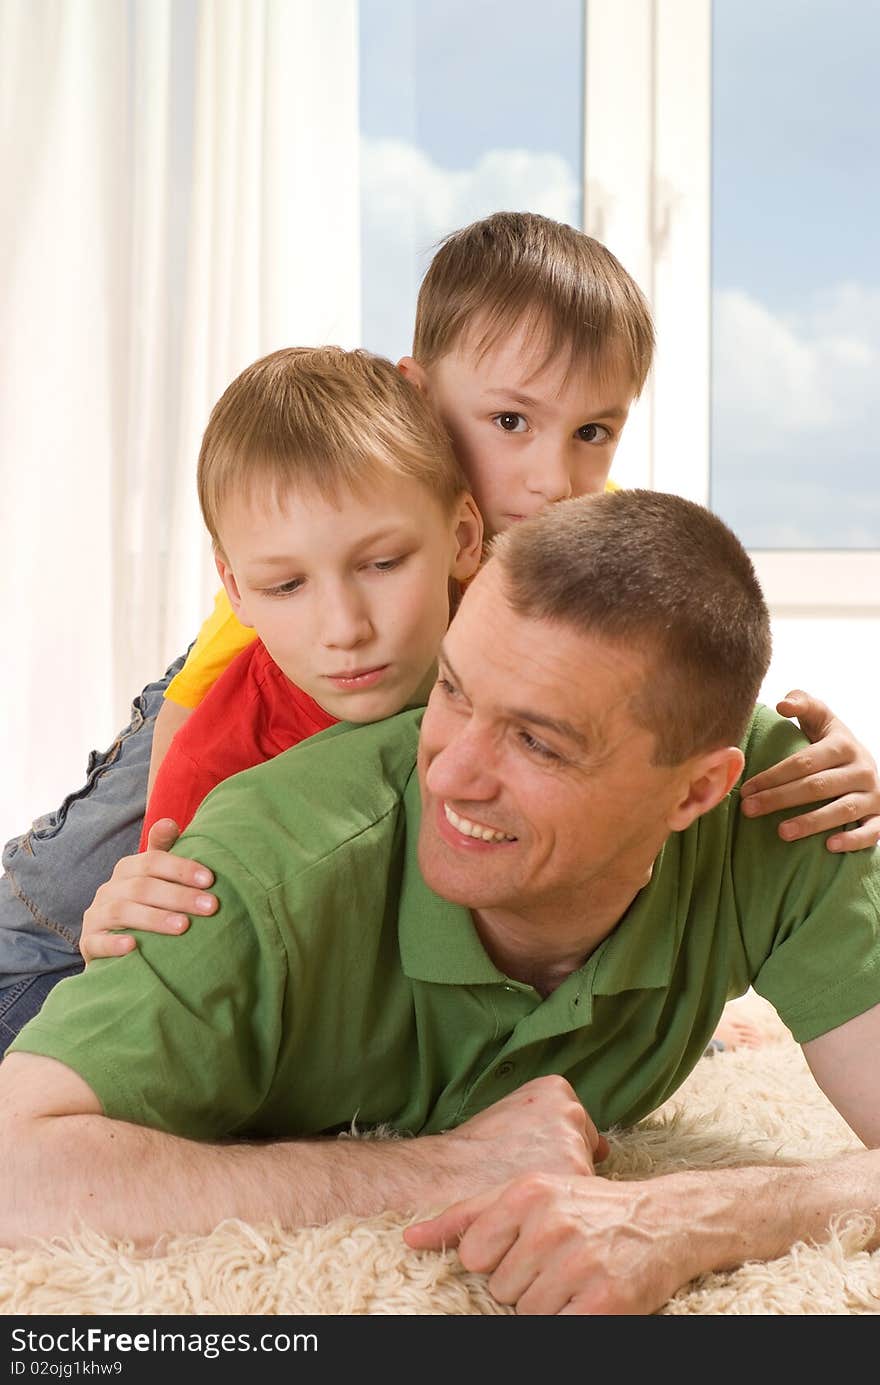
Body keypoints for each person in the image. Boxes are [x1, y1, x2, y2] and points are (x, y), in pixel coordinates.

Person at [1, 212, 877, 1049]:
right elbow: (203, 709)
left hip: (379, 713)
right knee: (73, 937)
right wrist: (166, 859)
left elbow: (656, 678)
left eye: (592, 433)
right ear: (418, 393)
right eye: (509, 423)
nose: (552, 477)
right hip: (216, 716)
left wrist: (802, 752)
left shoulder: (577, 532)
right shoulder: (342, 537)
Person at [2, 490, 878, 1319]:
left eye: (537, 740)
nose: (451, 772)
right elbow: (15, 1166)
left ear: (697, 792)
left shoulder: (792, 802)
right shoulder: (262, 869)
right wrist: (440, 1168)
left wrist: (694, 1214)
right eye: (451, 690)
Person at [133, 343, 482, 845]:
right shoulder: (210, 775)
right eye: (286, 586)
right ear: (236, 590)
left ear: (464, 538)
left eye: (383, 564)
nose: (345, 629)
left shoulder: (531, 642)